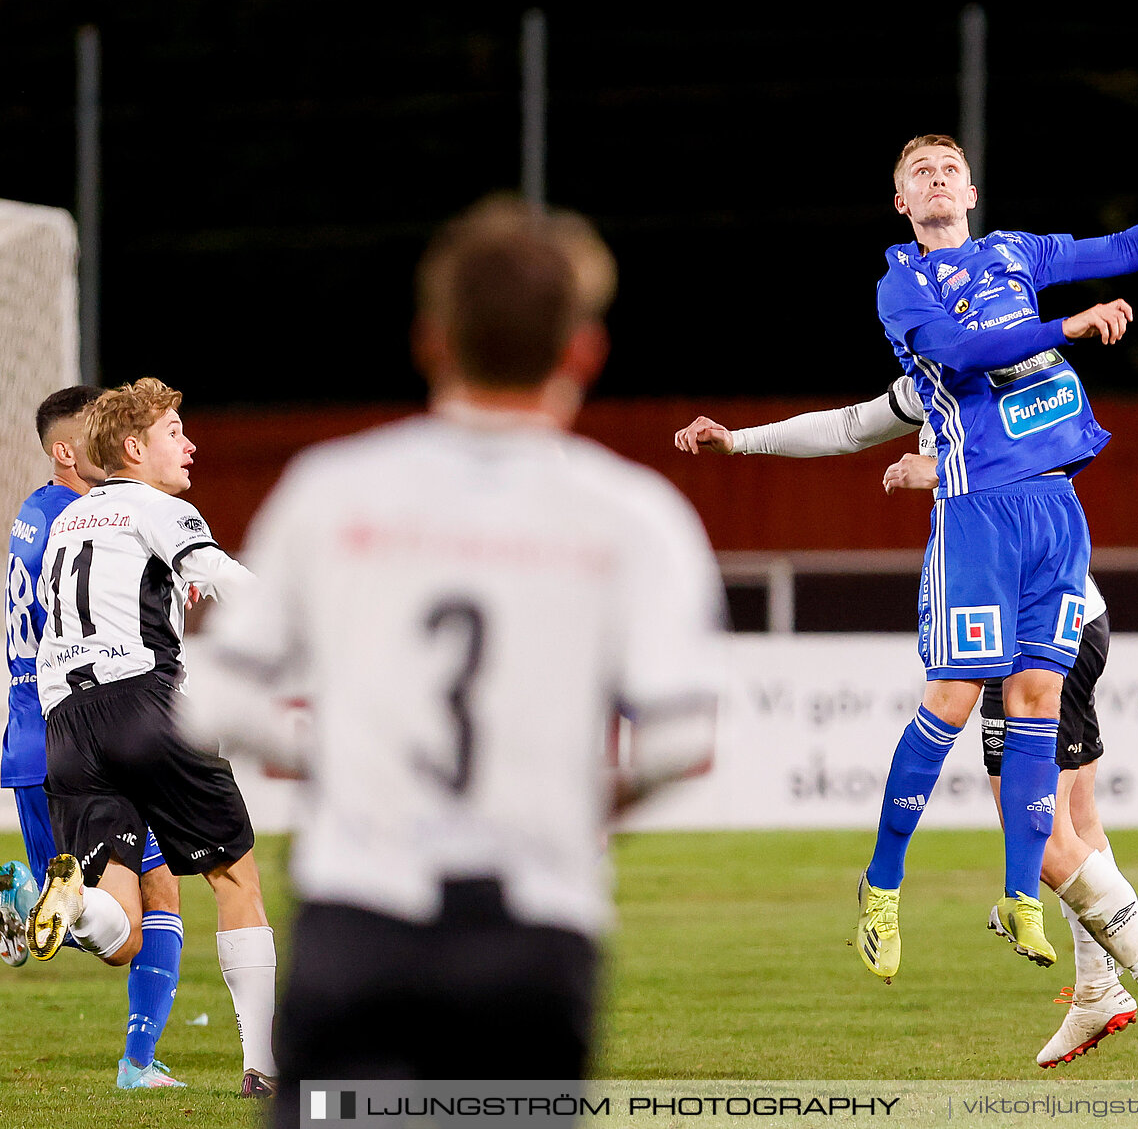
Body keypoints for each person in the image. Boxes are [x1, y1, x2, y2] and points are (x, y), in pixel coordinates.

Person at [180, 197, 721, 1123]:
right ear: (582, 350)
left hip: (360, 913)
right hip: (537, 929)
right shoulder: (634, 515)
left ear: (431, 341)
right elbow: (680, 741)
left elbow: (212, 703)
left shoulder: (332, 488)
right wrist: (568, 796)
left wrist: (344, 757)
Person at [863, 134, 1138, 1090]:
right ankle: (1103, 991)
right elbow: (914, 388)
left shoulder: (1016, 260)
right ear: (899, 203)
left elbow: (1116, 247)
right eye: (914, 172)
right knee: (1070, 817)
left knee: (1040, 828)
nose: (933, 178)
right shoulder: (911, 300)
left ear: (969, 187)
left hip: (1044, 576)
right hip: (1038, 567)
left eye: (946, 167)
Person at [676, 387, 1138, 1080]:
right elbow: (847, 426)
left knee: (1048, 843)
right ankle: (1096, 990)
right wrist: (739, 439)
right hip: (1051, 613)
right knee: (1077, 822)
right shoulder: (933, 374)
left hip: (1039, 622)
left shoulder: (1008, 365)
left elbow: (1048, 458)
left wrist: (943, 472)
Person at [25, 377, 277, 1099]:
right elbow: (220, 575)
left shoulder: (70, 523)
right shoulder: (157, 507)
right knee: (236, 877)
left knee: (123, 925)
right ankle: (263, 1066)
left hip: (66, 729)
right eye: (174, 430)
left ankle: (70, 904)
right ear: (134, 447)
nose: (189, 443)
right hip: (144, 704)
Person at [2, 386, 190, 1090]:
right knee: (122, 928)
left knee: (151, 892)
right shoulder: (81, 522)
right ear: (67, 451)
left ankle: (137, 1064)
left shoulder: (33, 512)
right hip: (84, 738)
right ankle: (24, 895)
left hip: (33, 739)